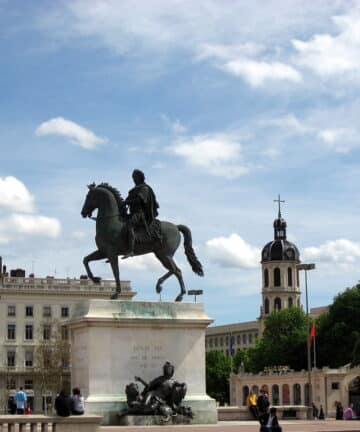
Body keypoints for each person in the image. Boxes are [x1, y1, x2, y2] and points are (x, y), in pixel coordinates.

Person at [123, 169, 160, 259]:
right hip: (132, 213)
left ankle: (131, 250)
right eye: (133, 178)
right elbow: (127, 199)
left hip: (140, 214)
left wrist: (128, 201)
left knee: (130, 226)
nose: (133, 180)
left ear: (139, 178)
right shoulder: (134, 189)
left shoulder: (144, 188)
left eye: (135, 178)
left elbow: (140, 200)